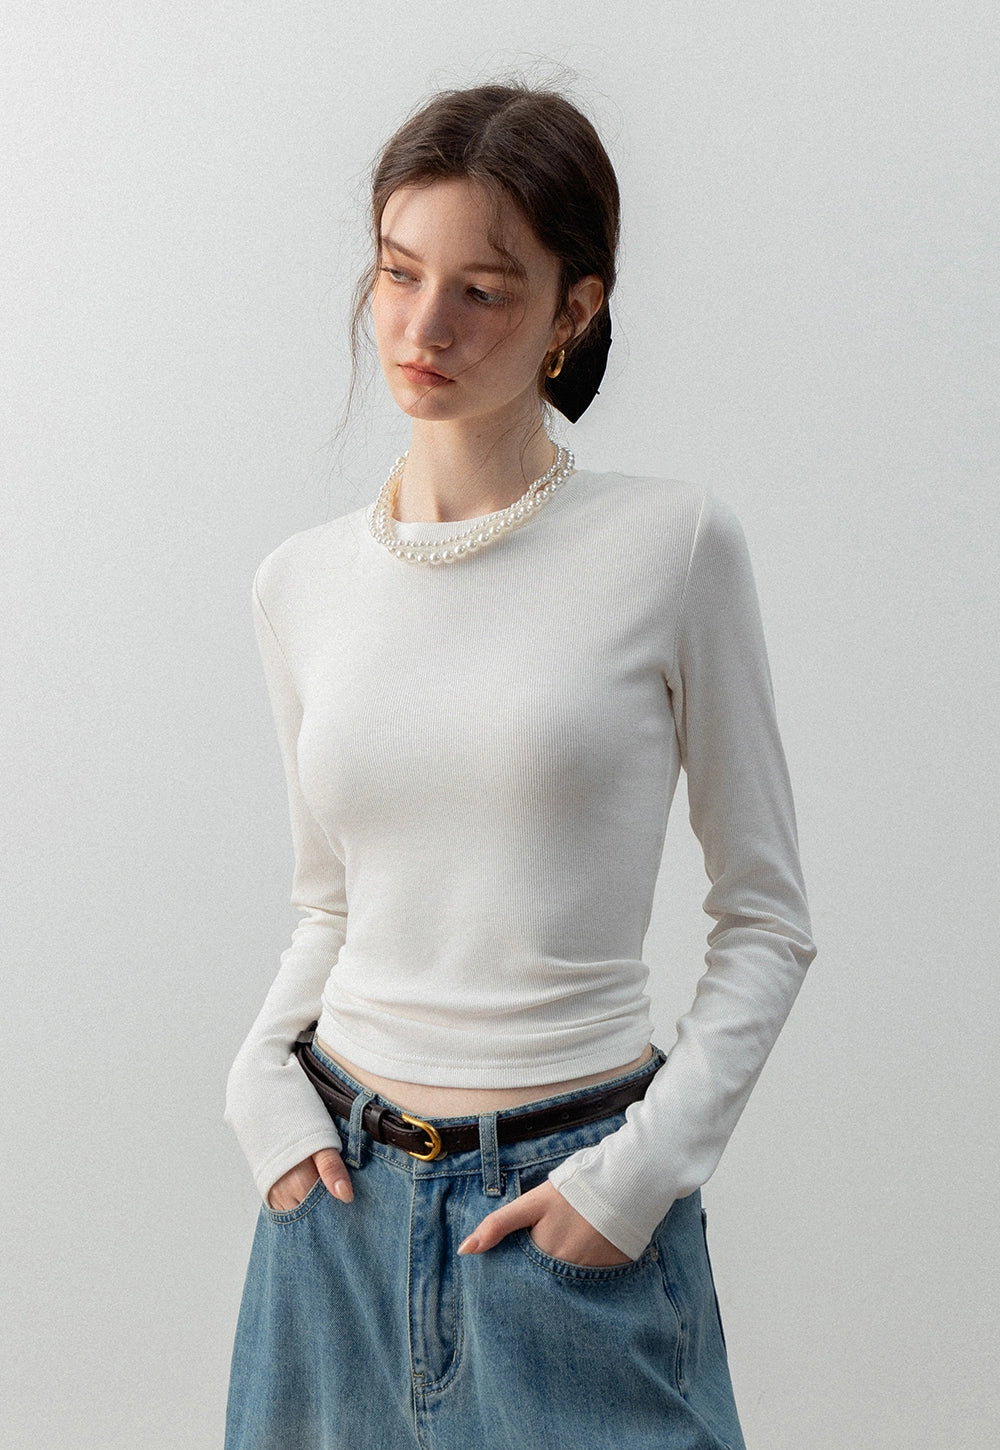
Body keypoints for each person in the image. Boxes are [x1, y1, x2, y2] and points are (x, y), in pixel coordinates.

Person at [223, 81, 815, 1450]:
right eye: (399, 273)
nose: (423, 328)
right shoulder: (298, 584)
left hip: (566, 1210)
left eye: (482, 291)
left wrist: (640, 1175)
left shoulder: (671, 548)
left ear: (573, 310)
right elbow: (330, 901)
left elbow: (768, 917)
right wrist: (256, 1075)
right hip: (332, 1208)